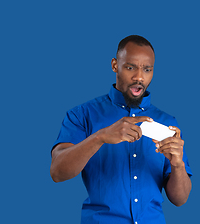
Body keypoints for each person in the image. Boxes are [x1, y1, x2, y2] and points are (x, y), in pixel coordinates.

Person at [50, 35, 192, 224]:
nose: (139, 77)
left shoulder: (167, 123)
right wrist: (100, 137)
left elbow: (180, 200)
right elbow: (57, 172)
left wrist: (178, 165)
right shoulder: (82, 115)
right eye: (130, 67)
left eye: (147, 69)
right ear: (115, 65)